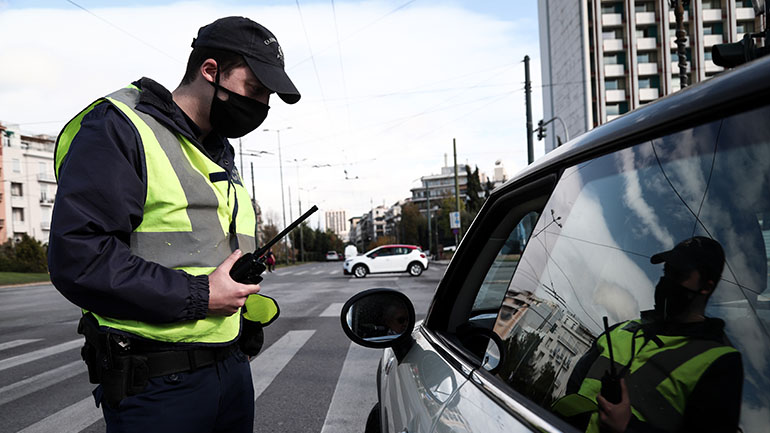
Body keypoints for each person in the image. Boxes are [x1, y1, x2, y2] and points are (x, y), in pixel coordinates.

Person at [48, 16, 299, 433]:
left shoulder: (216, 149)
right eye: (254, 89)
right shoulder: (121, 127)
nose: (261, 105)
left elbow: (209, 253)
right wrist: (202, 295)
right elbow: (80, 258)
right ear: (210, 71)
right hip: (157, 383)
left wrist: (243, 324)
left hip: (230, 368)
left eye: (267, 95)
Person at [552, 236, 743, 433]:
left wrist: (628, 427)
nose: (667, 281)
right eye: (666, 271)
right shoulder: (622, 329)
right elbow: (575, 385)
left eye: (679, 274)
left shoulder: (720, 362)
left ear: (707, 287)